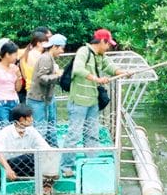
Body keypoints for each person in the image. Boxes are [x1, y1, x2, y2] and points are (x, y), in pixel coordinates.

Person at [61, 28, 130, 176]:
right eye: (108, 44)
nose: (109, 47)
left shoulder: (101, 55)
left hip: (92, 102)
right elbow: (78, 69)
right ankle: (66, 166)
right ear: (102, 41)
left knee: (92, 133)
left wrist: (123, 72)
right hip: (79, 101)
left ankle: (91, 162)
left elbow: (110, 67)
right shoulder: (83, 52)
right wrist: (97, 79)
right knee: (74, 134)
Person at [0, 104, 59, 194]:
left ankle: (47, 184)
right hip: (5, 165)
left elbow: (45, 147)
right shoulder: (5, 132)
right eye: (29, 117)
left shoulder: (31, 130)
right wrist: (8, 169)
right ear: (21, 119)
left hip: (24, 164)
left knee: (51, 152)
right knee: (30, 156)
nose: (32, 119)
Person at [26, 33, 67, 146]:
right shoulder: (45, 58)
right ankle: (39, 153)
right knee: (40, 129)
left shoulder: (51, 58)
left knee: (51, 125)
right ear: (54, 46)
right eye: (61, 48)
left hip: (47, 98)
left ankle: (52, 148)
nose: (62, 51)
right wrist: (59, 76)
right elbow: (42, 78)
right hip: (37, 100)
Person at [17, 30, 48, 104]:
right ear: (38, 43)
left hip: (30, 88)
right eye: (46, 42)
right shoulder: (37, 55)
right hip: (38, 90)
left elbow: (24, 75)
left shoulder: (25, 54)